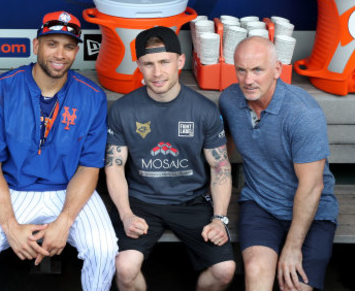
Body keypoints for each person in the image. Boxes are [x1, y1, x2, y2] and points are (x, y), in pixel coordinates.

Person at [0, 11, 118, 291]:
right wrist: (9, 226)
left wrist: (65, 221)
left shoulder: (91, 95)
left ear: (76, 51)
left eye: (68, 46)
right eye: (52, 43)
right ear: (36, 45)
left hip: (69, 190)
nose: (60, 53)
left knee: (104, 250)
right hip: (12, 189)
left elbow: (89, 167)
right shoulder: (2, 90)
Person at [105, 26, 236, 291]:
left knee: (225, 270)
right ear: (139, 66)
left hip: (192, 202)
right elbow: (114, 168)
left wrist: (219, 219)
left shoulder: (203, 110)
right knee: (124, 268)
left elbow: (220, 166)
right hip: (141, 201)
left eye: (164, 62)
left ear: (180, 61)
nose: (157, 72)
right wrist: (126, 214)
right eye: (148, 64)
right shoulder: (123, 110)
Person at [218, 36, 338, 291]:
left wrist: (293, 248)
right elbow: (222, 153)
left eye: (257, 70)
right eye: (242, 70)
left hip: (313, 210)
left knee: (293, 285)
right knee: (257, 272)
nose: (248, 80)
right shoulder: (229, 100)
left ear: (277, 70)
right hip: (260, 203)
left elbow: (312, 186)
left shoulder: (302, 113)